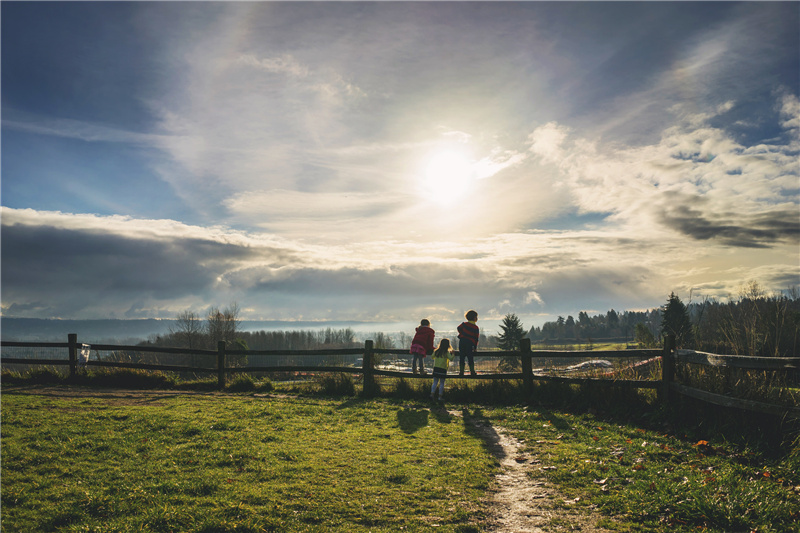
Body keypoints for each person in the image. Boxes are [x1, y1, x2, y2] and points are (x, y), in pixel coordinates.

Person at [457, 310, 479, 376]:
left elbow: (458, 328)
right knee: (470, 358)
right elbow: (476, 339)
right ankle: (472, 371)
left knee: (461, 357)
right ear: (475, 318)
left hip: (462, 342)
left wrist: (462, 333)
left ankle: (461, 372)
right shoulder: (475, 327)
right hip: (470, 344)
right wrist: (475, 348)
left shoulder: (463, 324)